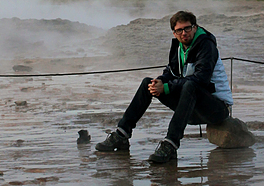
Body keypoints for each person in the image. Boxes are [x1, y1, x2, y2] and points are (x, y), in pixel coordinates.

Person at [95, 10, 233, 164]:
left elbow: (202, 79)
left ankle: (170, 144)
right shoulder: (179, 47)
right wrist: (159, 83)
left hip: (217, 108)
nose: (184, 33)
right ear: (174, 33)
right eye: (179, 30)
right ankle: (122, 134)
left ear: (195, 27)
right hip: (192, 106)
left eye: (187, 28)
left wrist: (167, 88)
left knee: (191, 85)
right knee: (148, 83)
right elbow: (171, 72)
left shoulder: (206, 45)